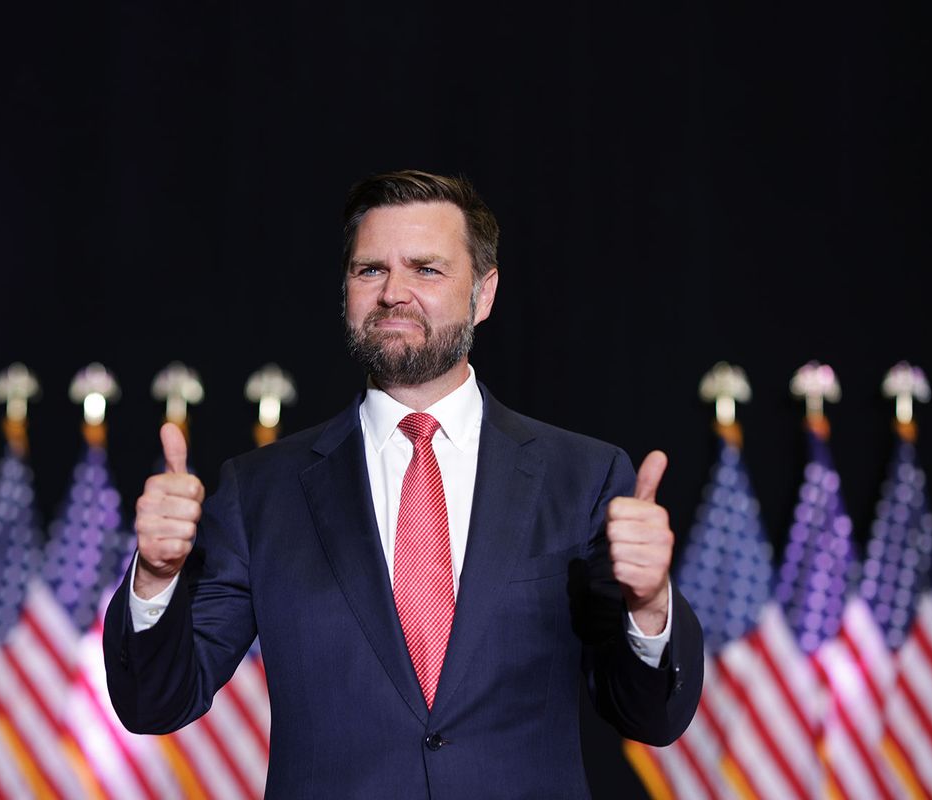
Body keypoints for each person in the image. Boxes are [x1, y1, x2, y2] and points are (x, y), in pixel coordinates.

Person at [104, 170, 703, 798]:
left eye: (426, 270)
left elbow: (652, 716)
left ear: (484, 293)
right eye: (370, 270)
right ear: (345, 291)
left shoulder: (583, 477)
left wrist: (650, 605)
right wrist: (155, 579)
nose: (394, 293)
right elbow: (155, 705)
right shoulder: (260, 491)